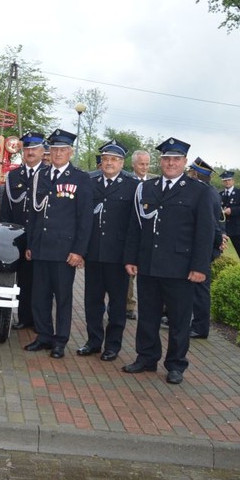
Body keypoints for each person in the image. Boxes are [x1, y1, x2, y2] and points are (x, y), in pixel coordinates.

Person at [123, 138, 217, 385]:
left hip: (181, 267)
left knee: (178, 320)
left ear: (185, 162)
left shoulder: (199, 191)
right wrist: (131, 258)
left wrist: (200, 267)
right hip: (149, 264)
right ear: (160, 161)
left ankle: (176, 365)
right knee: (148, 317)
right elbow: (136, 226)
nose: (171, 163)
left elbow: (205, 233)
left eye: (176, 159)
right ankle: (146, 358)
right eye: (166, 159)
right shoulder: (147, 188)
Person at [23, 129, 92, 359]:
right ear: (49, 152)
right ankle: (43, 336)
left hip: (65, 251)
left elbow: (85, 219)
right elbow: (34, 214)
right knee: (39, 295)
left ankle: (60, 341)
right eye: (54, 150)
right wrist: (31, 244)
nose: (58, 153)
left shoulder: (80, 178)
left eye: (62, 149)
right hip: (41, 246)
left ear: (70, 152)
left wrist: (79, 251)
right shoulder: (40, 176)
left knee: (62, 298)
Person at [79, 140, 137, 361]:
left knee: (117, 304)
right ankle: (93, 342)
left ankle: (113, 346)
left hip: (118, 256)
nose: (109, 163)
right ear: (101, 161)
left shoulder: (132, 186)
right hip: (94, 254)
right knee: (92, 302)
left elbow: (134, 226)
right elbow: (83, 220)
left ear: (122, 163)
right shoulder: (90, 182)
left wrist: (131, 256)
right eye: (105, 159)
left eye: (114, 159)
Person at [0, 130, 45, 331]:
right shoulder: (13, 175)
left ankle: (39, 319)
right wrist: (4, 235)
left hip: (41, 236)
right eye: (27, 148)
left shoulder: (48, 175)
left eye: (34, 148)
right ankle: (24, 317)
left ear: (43, 151)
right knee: (23, 279)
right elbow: (6, 208)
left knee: (40, 281)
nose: (30, 152)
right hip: (18, 234)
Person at [186, 157, 226, 340]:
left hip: (206, 246)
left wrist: (219, 241)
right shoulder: (209, 191)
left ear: (195, 174)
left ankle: (200, 327)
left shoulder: (206, 193)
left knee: (201, 289)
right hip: (208, 243)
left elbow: (211, 222)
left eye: (189, 172)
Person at [126, 149, 152, 321]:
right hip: (130, 234)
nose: (144, 167)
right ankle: (129, 305)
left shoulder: (154, 183)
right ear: (133, 165)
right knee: (129, 275)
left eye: (147, 164)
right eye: (141, 164)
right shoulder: (127, 182)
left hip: (149, 238)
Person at [220, 170, 240, 264]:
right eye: (225, 180)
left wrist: (232, 211)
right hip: (223, 227)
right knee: (218, 247)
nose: (227, 182)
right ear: (223, 182)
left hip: (237, 227)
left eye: (229, 180)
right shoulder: (220, 195)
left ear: (233, 181)